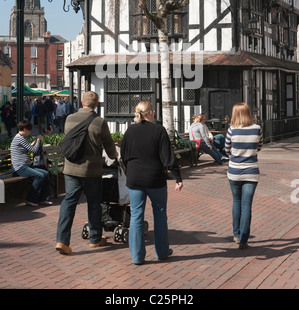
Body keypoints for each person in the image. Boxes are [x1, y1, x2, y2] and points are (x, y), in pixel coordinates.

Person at [120, 101, 183, 265]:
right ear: (151, 113)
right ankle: (162, 252)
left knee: (136, 216)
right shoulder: (159, 131)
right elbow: (168, 157)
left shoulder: (130, 131)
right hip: (155, 178)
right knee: (160, 214)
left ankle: (137, 256)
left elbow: (124, 156)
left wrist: (131, 170)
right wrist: (178, 177)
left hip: (134, 178)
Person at [56, 91, 118, 255]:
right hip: (91, 170)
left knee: (69, 202)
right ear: (96, 104)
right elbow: (109, 146)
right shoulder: (99, 122)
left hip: (71, 168)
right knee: (94, 203)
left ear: (82, 102)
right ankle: (95, 238)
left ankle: (62, 240)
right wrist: (115, 156)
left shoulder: (69, 119)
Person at [225, 102, 263, 250]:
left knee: (236, 201)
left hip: (234, 170)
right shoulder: (257, 129)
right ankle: (243, 239)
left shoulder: (232, 130)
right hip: (251, 171)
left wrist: (236, 155)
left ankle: (236, 234)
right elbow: (259, 147)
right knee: (247, 205)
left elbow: (227, 149)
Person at [10, 120, 52, 207]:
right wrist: (38, 140)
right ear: (25, 129)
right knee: (39, 176)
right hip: (19, 168)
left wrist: (33, 144)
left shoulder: (20, 138)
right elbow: (34, 150)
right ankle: (30, 199)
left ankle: (44, 198)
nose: (29, 133)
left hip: (25, 166)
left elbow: (27, 148)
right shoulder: (19, 138)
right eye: (29, 131)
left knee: (45, 173)